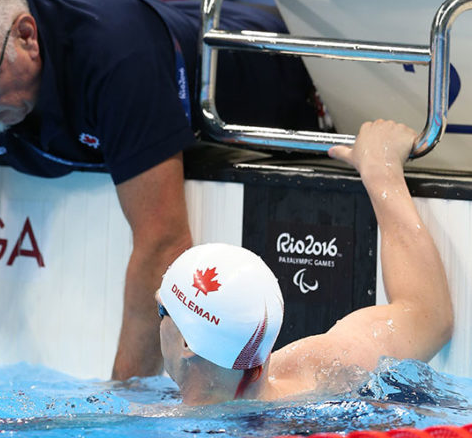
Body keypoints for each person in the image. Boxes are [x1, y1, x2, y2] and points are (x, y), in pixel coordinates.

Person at [0, 0, 319, 380]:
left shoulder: (114, 51)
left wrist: (123, 412)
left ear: (26, 37)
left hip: (295, 69)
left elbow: (163, 243)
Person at [157, 120, 454, 404]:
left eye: (163, 310)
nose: (157, 303)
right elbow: (427, 316)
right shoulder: (322, 370)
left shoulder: (163, 435)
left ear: (187, 344)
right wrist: (381, 169)